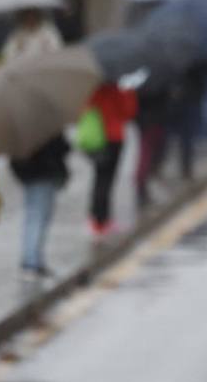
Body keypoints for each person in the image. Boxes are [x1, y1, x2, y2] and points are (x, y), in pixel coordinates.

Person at [11, 132, 70, 279]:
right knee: (39, 217)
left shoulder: (19, 128)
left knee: (32, 216)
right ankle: (32, 262)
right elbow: (62, 147)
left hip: (27, 174)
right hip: (44, 173)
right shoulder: (46, 127)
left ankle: (31, 259)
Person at [83, 82, 138, 238]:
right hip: (114, 136)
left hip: (96, 136)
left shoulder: (94, 86)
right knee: (107, 179)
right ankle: (103, 219)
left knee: (99, 177)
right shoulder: (123, 87)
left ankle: (96, 218)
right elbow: (129, 112)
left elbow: (87, 106)